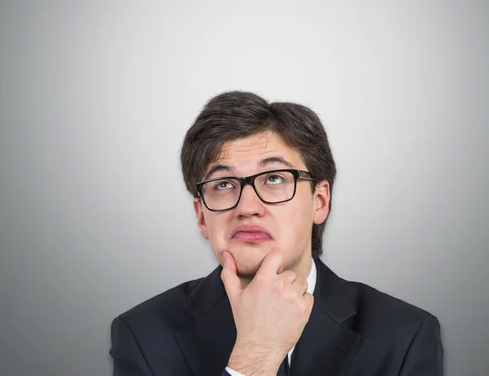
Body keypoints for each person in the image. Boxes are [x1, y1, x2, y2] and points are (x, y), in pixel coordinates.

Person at [110, 91, 444, 375]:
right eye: (223, 184)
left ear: (320, 201)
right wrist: (255, 356)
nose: (247, 206)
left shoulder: (404, 335)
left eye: (273, 179)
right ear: (201, 216)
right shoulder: (144, 334)